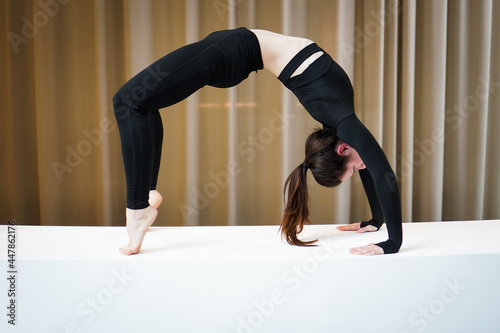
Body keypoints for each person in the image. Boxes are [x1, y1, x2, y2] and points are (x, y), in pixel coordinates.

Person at [112, 27, 402, 256]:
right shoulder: (342, 121)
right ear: (342, 148)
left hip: (233, 51)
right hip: (232, 50)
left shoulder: (340, 120)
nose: (359, 168)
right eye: (351, 170)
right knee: (136, 104)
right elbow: (381, 171)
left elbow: (372, 167)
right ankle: (143, 201)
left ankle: (140, 207)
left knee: (130, 103)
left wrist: (378, 221)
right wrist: (390, 239)